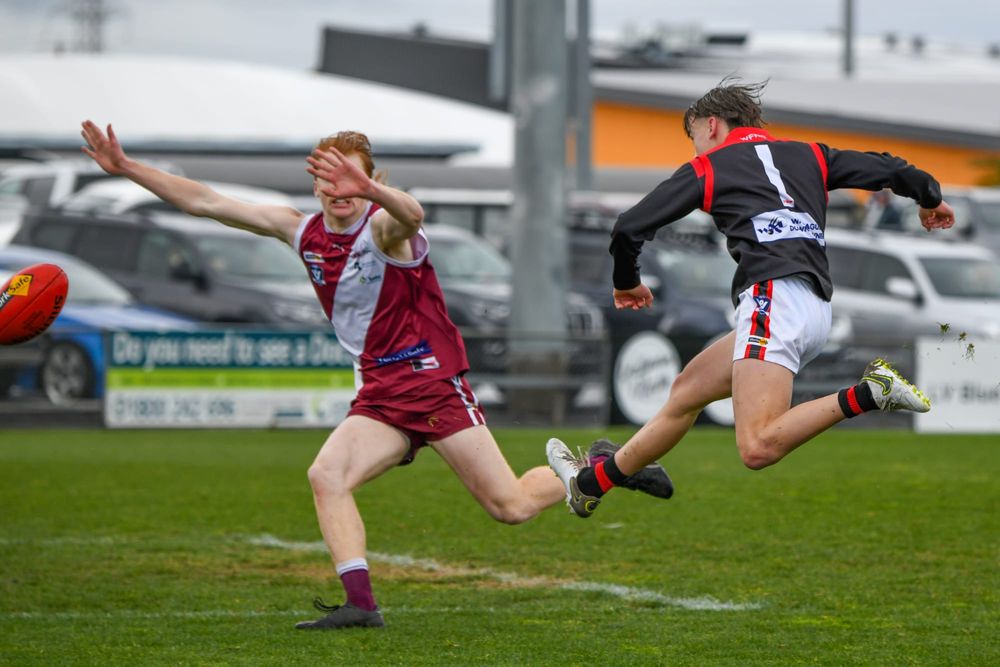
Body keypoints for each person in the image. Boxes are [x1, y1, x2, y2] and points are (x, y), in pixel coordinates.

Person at [79, 121, 674, 629]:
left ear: (370, 183)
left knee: (511, 506)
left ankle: (604, 470)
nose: (337, 189)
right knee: (326, 475)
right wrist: (127, 166)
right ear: (315, 183)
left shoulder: (386, 229)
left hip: (432, 385)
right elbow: (205, 201)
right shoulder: (302, 231)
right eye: (329, 178)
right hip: (381, 395)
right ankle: (360, 604)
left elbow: (412, 213)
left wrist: (375, 192)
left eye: (351, 179)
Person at [546, 79, 956, 518]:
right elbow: (893, 170)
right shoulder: (810, 154)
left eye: (695, 140)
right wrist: (929, 198)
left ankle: (871, 394)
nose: (696, 152)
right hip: (813, 307)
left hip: (773, 299)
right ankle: (593, 483)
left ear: (712, 125)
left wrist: (627, 281)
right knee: (686, 391)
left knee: (757, 446)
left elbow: (628, 227)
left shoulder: (711, 168)